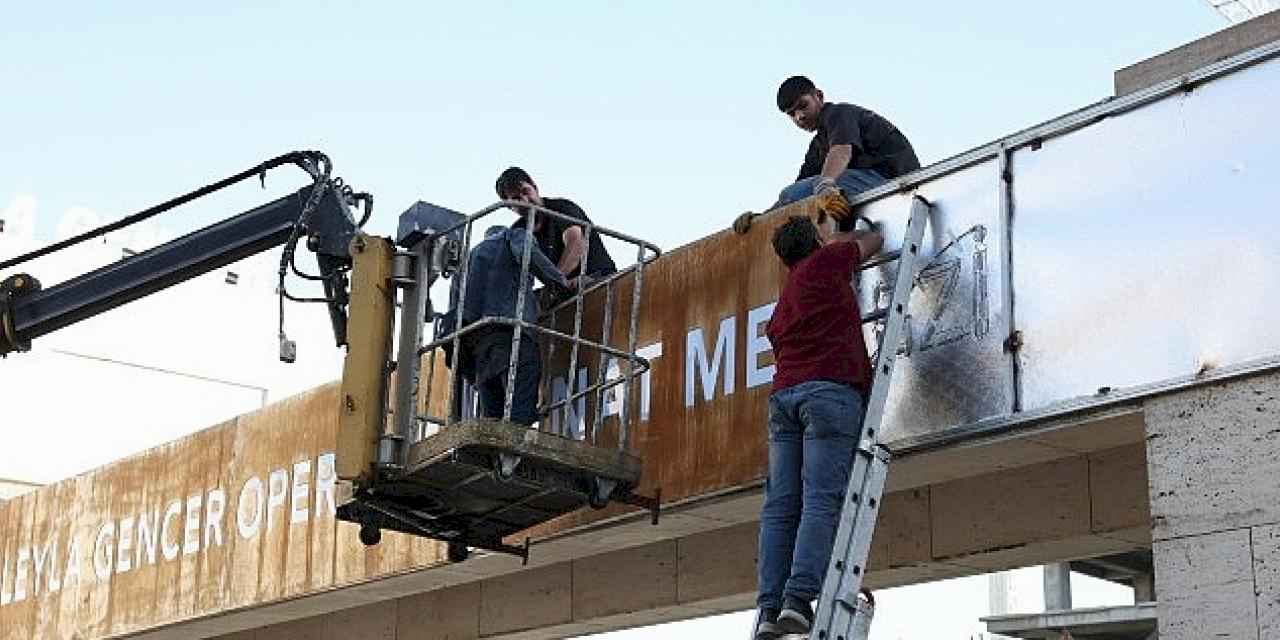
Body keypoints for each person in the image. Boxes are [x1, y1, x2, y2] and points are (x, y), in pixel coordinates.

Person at [752, 215, 883, 639]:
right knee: (821, 499)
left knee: (780, 507)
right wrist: (836, 238)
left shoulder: (785, 299)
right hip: (829, 393)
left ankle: (769, 609)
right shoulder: (826, 263)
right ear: (814, 241)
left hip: (783, 400)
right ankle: (797, 601)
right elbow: (874, 239)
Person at [734, 76, 920, 235]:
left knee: (814, 190)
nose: (799, 117)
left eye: (803, 106)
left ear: (819, 96)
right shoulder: (817, 146)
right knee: (799, 198)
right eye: (792, 114)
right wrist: (763, 219)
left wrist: (825, 186)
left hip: (898, 183)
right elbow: (797, 194)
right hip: (870, 184)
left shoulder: (839, 114)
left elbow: (841, 150)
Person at [445, 225, 570, 425]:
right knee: (519, 414)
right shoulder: (510, 236)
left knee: (493, 421)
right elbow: (528, 255)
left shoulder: (464, 264)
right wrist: (561, 283)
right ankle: (520, 432)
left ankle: (501, 444)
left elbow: (454, 312)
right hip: (511, 334)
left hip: (478, 352)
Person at [495, 167, 617, 288]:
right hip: (564, 289)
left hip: (599, 279)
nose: (525, 200)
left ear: (534, 186)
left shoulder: (560, 208)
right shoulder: (518, 232)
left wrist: (554, 282)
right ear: (510, 206)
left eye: (526, 191)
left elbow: (575, 243)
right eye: (516, 199)